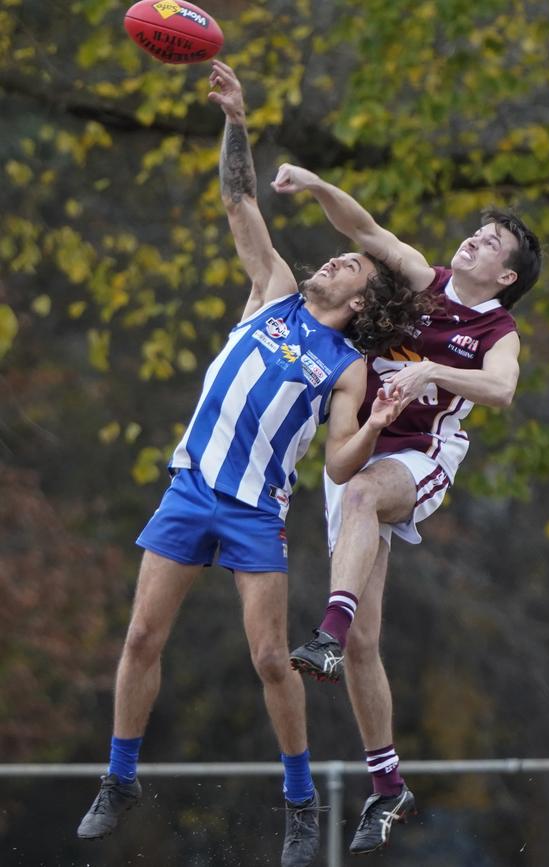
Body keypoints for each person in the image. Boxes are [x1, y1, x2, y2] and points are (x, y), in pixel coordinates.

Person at [76, 61, 429, 867]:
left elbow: (341, 467)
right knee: (138, 639)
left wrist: (374, 424)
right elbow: (239, 200)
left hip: (252, 512)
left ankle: (299, 803)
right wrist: (236, 120)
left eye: (349, 265)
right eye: (339, 259)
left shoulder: (348, 366)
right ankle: (120, 776)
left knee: (273, 659)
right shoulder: (271, 289)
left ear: (362, 301)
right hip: (191, 487)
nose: (333, 261)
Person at [271, 163, 542, 855]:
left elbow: (502, 391)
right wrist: (312, 183)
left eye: (488, 244)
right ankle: (389, 790)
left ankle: (326, 631)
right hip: (359, 452)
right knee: (367, 640)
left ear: (506, 276)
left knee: (361, 507)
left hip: (421, 459)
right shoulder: (426, 280)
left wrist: (433, 370)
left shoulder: (498, 328)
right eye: (475, 233)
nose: (472, 243)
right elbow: (362, 228)